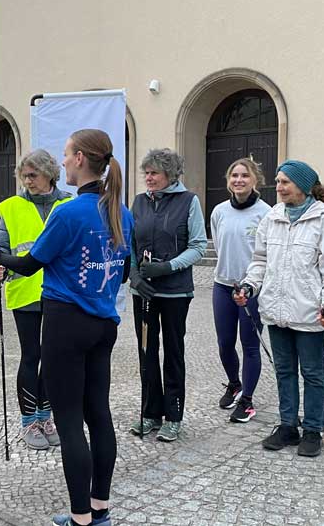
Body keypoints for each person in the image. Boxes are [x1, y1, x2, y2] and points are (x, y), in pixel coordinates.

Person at [0, 128, 133, 526]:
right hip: (104, 324)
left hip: (67, 325)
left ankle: (80, 518)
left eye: (66, 155)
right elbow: (125, 271)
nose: (63, 162)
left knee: (67, 422)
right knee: (98, 414)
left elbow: (30, 264)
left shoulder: (68, 212)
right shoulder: (120, 210)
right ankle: (100, 510)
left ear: (80, 158)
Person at [234, 159, 324, 458]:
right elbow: (260, 260)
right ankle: (287, 425)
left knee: (312, 373)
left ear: (304, 186)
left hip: (310, 312)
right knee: (284, 371)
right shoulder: (272, 218)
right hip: (276, 309)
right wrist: (249, 286)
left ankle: (313, 429)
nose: (279, 187)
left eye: (285, 181)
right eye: (278, 181)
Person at [0, 149, 72, 450]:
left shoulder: (68, 204)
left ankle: (46, 415)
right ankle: (29, 422)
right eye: (24, 176)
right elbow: (2, 247)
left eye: (33, 175)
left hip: (60, 293)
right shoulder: (11, 207)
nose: (28, 181)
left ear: (50, 173)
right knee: (31, 356)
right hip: (25, 292)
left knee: (54, 359)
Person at [126, 148, 206, 442]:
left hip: (174, 292)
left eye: (154, 173)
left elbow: (198, 245)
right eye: (146, 172)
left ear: (170, 175)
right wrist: (135, 274)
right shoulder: (138, 202)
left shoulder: (188, 201)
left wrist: (168, 267)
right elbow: (130, 243)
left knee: (173, 353)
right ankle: (150, 413)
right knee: (146, 352)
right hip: (143, 291)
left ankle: (173, 415)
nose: (148, 178)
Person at [211, 158, 271, 423]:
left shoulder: (266, 213)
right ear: (228, 181)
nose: (238, 180)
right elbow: (218, 243)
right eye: (234, 175)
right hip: (223, 286)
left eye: (244, 176)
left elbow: (268, 254)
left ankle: (247, 400)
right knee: (225, 343)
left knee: (250, 345)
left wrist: (252, 284)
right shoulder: (219, 211)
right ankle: (234, 383)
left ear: (254, 180)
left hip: (251, 290)